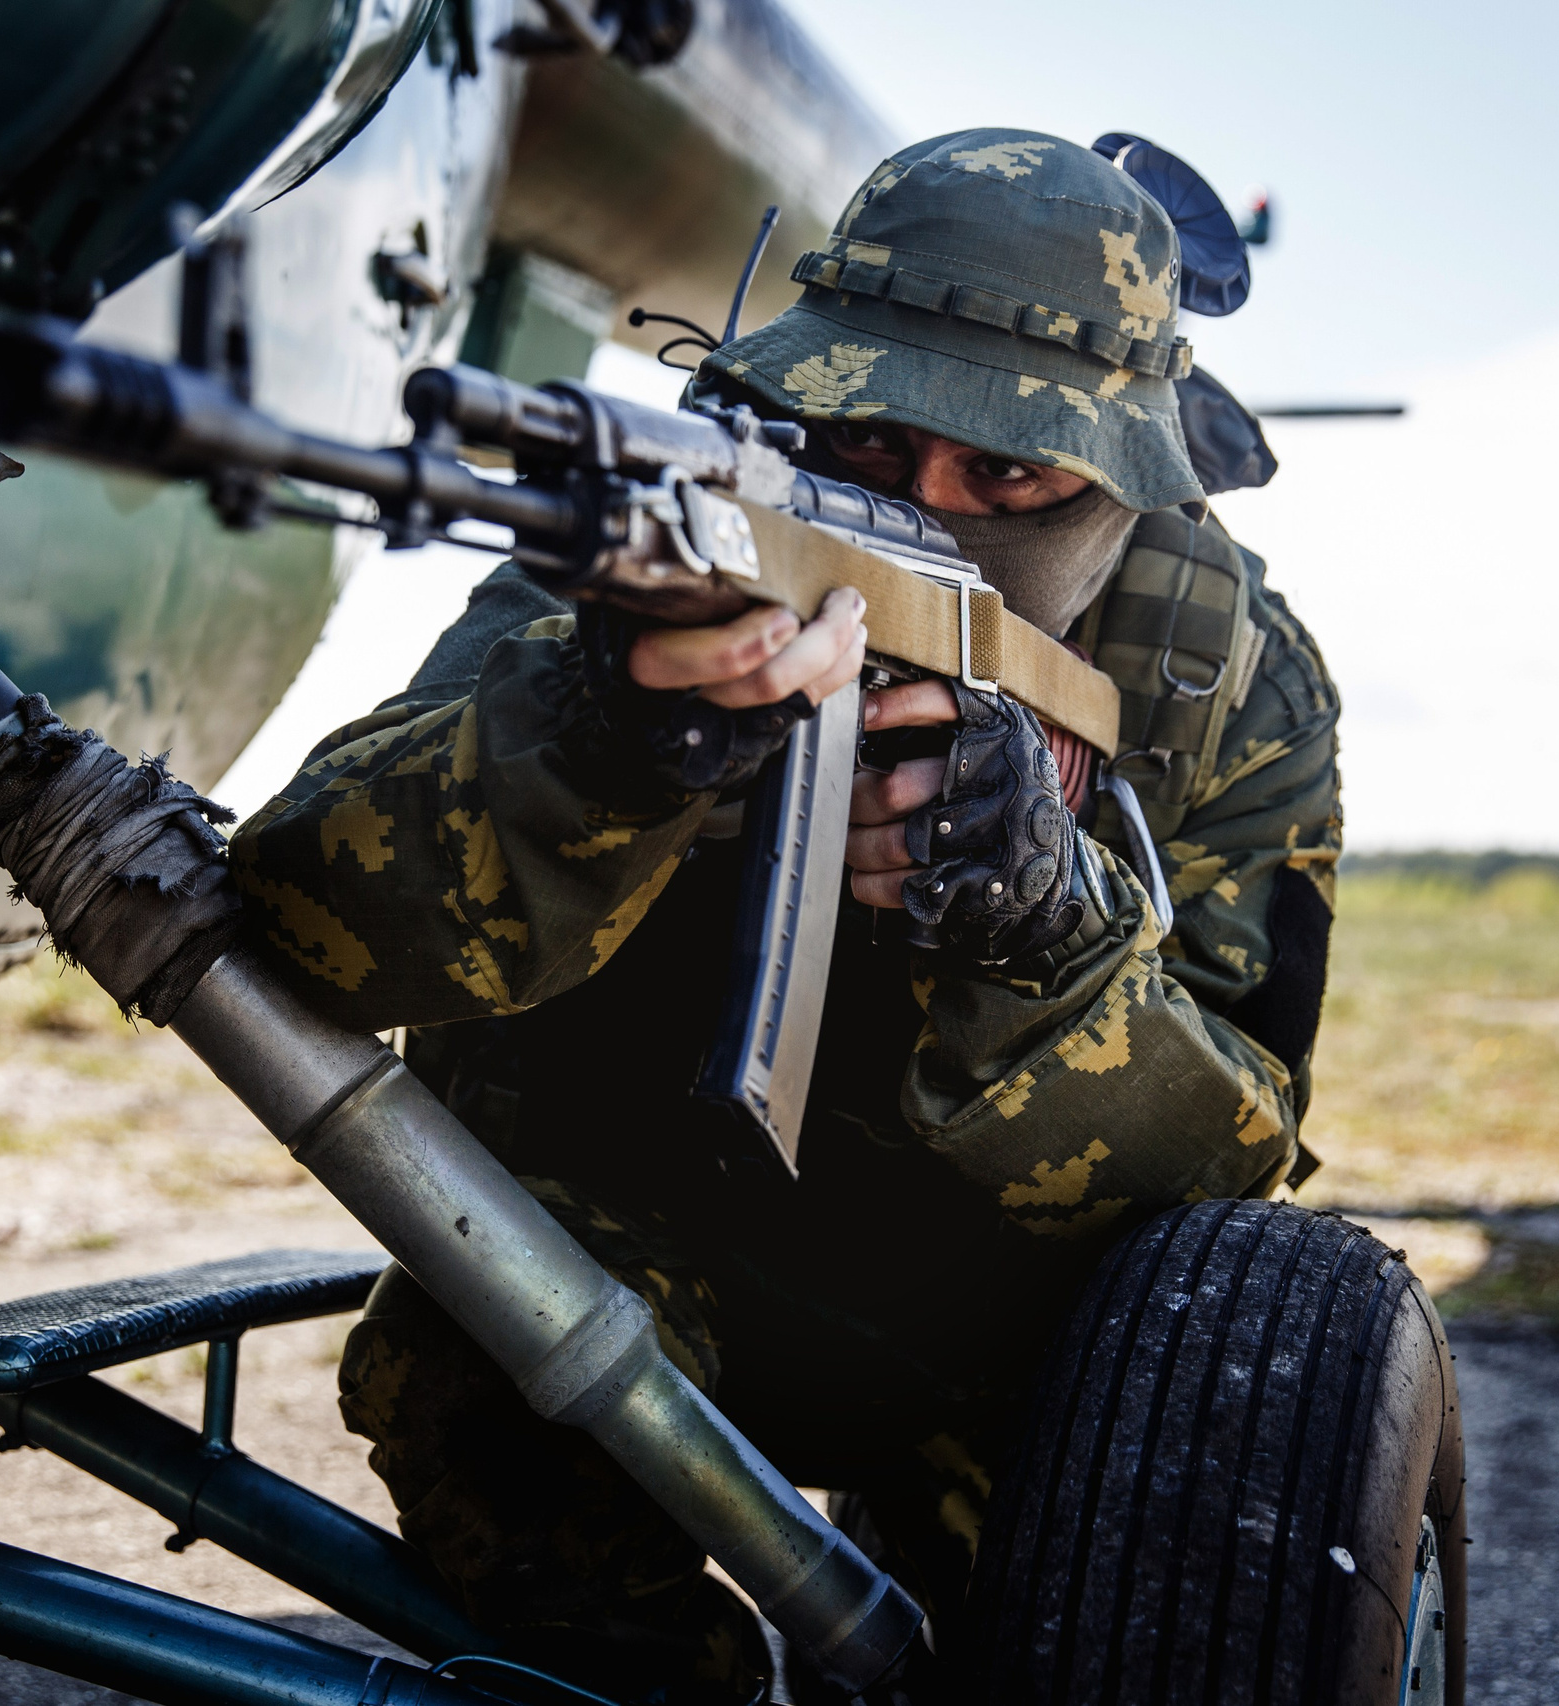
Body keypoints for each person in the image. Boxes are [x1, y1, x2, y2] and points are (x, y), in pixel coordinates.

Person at [226, 129, 1342, 1702]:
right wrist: (605, 739)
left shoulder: (1222, 683)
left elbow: (1238, 1165)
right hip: (626, 1263)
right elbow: (300, 913)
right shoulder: (664, 559)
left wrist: (1043, 933)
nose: (932, 515)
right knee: (480, 1391)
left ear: (1129, 485)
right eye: (872, 449)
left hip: (1008, 1315)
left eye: (1009, 474)